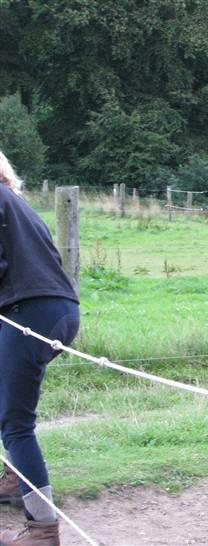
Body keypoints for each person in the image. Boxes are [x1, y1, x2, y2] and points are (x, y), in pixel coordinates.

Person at [0, 150, 80, 546]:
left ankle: (42, 530)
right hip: (60, 310)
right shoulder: (17, 203)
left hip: (25, 314)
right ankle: (17, 478)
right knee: (8, 405)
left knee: (17, 424)